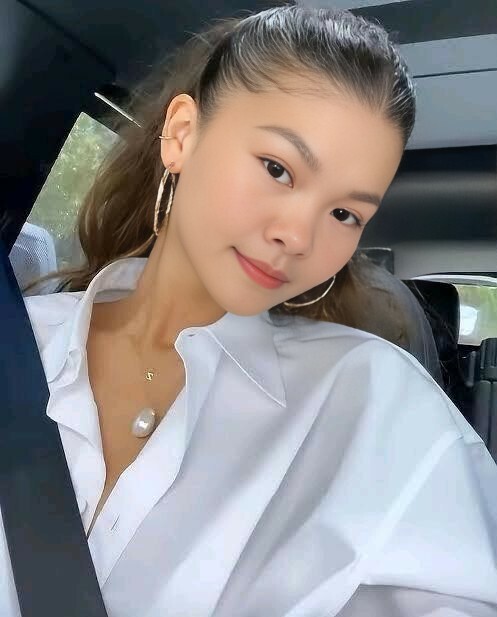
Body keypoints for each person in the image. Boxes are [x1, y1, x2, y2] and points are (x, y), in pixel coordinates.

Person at [1, 5, 496, 616]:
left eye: (345, 214)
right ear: (182, 134)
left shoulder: (379, 404)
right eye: (278, 169)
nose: (299, 235)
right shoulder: (22, 342)